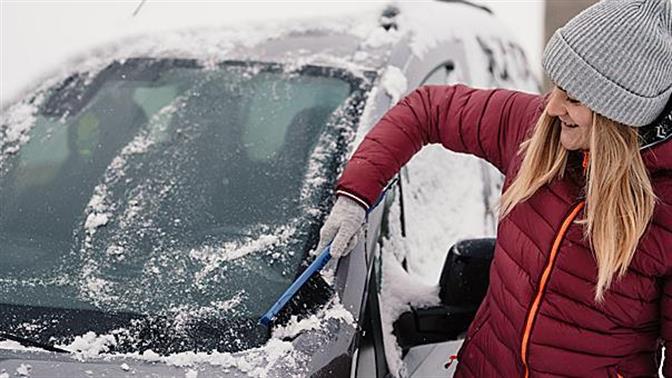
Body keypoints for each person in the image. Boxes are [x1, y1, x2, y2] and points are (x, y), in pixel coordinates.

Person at [314, 0, 672, 376]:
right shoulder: (533, 131)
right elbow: (427, 108)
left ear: (620, 112)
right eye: (557, 87)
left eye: (574, 98)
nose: (552, 107)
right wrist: (355, 194)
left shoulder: (664, 209)